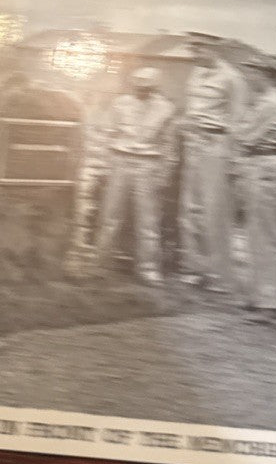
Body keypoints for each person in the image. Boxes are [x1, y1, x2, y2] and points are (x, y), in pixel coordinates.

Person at [93, 66, 177, 284]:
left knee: (147, 220)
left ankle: (148, 268)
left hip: (148, 164)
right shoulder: (120, 103)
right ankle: (101, 262)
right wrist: (103, 165)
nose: (141, 91)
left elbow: (169, 145)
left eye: (146, 88)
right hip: (120, 158)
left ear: (155, 87)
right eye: (138, 86)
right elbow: (106, 134)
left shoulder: (166, 109)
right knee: (110, 214)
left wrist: (164, 173)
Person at [178, 42, 245, 292]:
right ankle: (195, 268)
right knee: (191, 209)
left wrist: (233, 159)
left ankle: (220, 276)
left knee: (214, 212)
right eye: (192, 49)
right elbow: (191, 109)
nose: (194, 55)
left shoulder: (231, 78)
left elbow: (237, 122)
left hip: (216, 145)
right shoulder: (196, 74)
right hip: (194, 142)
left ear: (213, 47)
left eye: (199, 49)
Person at [236, 60, 276, 321]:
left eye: (253, 72)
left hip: (268, 163)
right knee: (255, 234)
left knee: (270, 236)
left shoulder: (271, 102)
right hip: (256, 162)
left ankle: (273, 302)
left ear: (266, 75)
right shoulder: (262, 101)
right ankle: (260, 296)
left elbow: (244, 135)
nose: (249, 77)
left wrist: (238, 131)